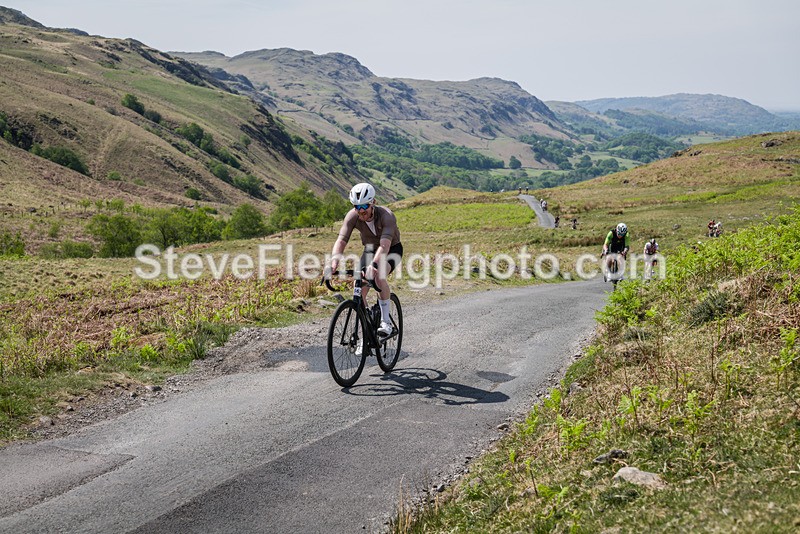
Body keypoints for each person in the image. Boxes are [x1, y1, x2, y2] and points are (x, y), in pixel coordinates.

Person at [329, 183, 403, 337]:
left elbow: (384, 245)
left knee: (379, 276)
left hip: (391, 249)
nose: (361, 211)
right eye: (357, 206)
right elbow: (341, 240)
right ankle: (367, 325)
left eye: (364, 206)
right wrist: (334, 262)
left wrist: (374, 265)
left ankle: (386, 322)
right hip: (370, 250)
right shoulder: (352, 216)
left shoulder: (386, 216)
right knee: (359, 286)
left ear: (373, 202)